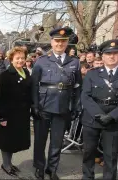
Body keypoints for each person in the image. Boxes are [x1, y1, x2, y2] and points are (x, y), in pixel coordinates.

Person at [80, 39, 118, 180]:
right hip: (92, 118)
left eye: (115, 53)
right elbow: (85, 96)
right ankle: (87, 177)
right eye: (108, 53)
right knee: (88, 152)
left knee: (110, 154)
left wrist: (112, 116)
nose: (112, 56)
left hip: (115, 120)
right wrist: (98, 114)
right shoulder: (92, 74)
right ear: (102, 56)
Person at [31, 27, 82, 180]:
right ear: (52, 42)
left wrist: (76, 106)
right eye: (57, 41)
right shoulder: (41, 61)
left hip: (63, 106)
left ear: (67, 43)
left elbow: (78, 86)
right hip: (44, 104)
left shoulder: (74, 62)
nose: (60, 44)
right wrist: (34, 105)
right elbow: (34, 85)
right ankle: (39, 167)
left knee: (57, 140)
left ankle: (52, 169)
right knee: (40, 139)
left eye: (63, 41)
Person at [0, 47, 32, 177]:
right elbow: (1, 98)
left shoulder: (26, 72)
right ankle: (6, 164)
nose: (20, 60)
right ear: (11, 59)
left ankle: (9, 163)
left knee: (14, 141)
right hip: (9, 114)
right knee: (7, 141)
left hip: (22, 114)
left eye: (22, 58)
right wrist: (2, 117)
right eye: (17, 58)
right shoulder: (5, 76)